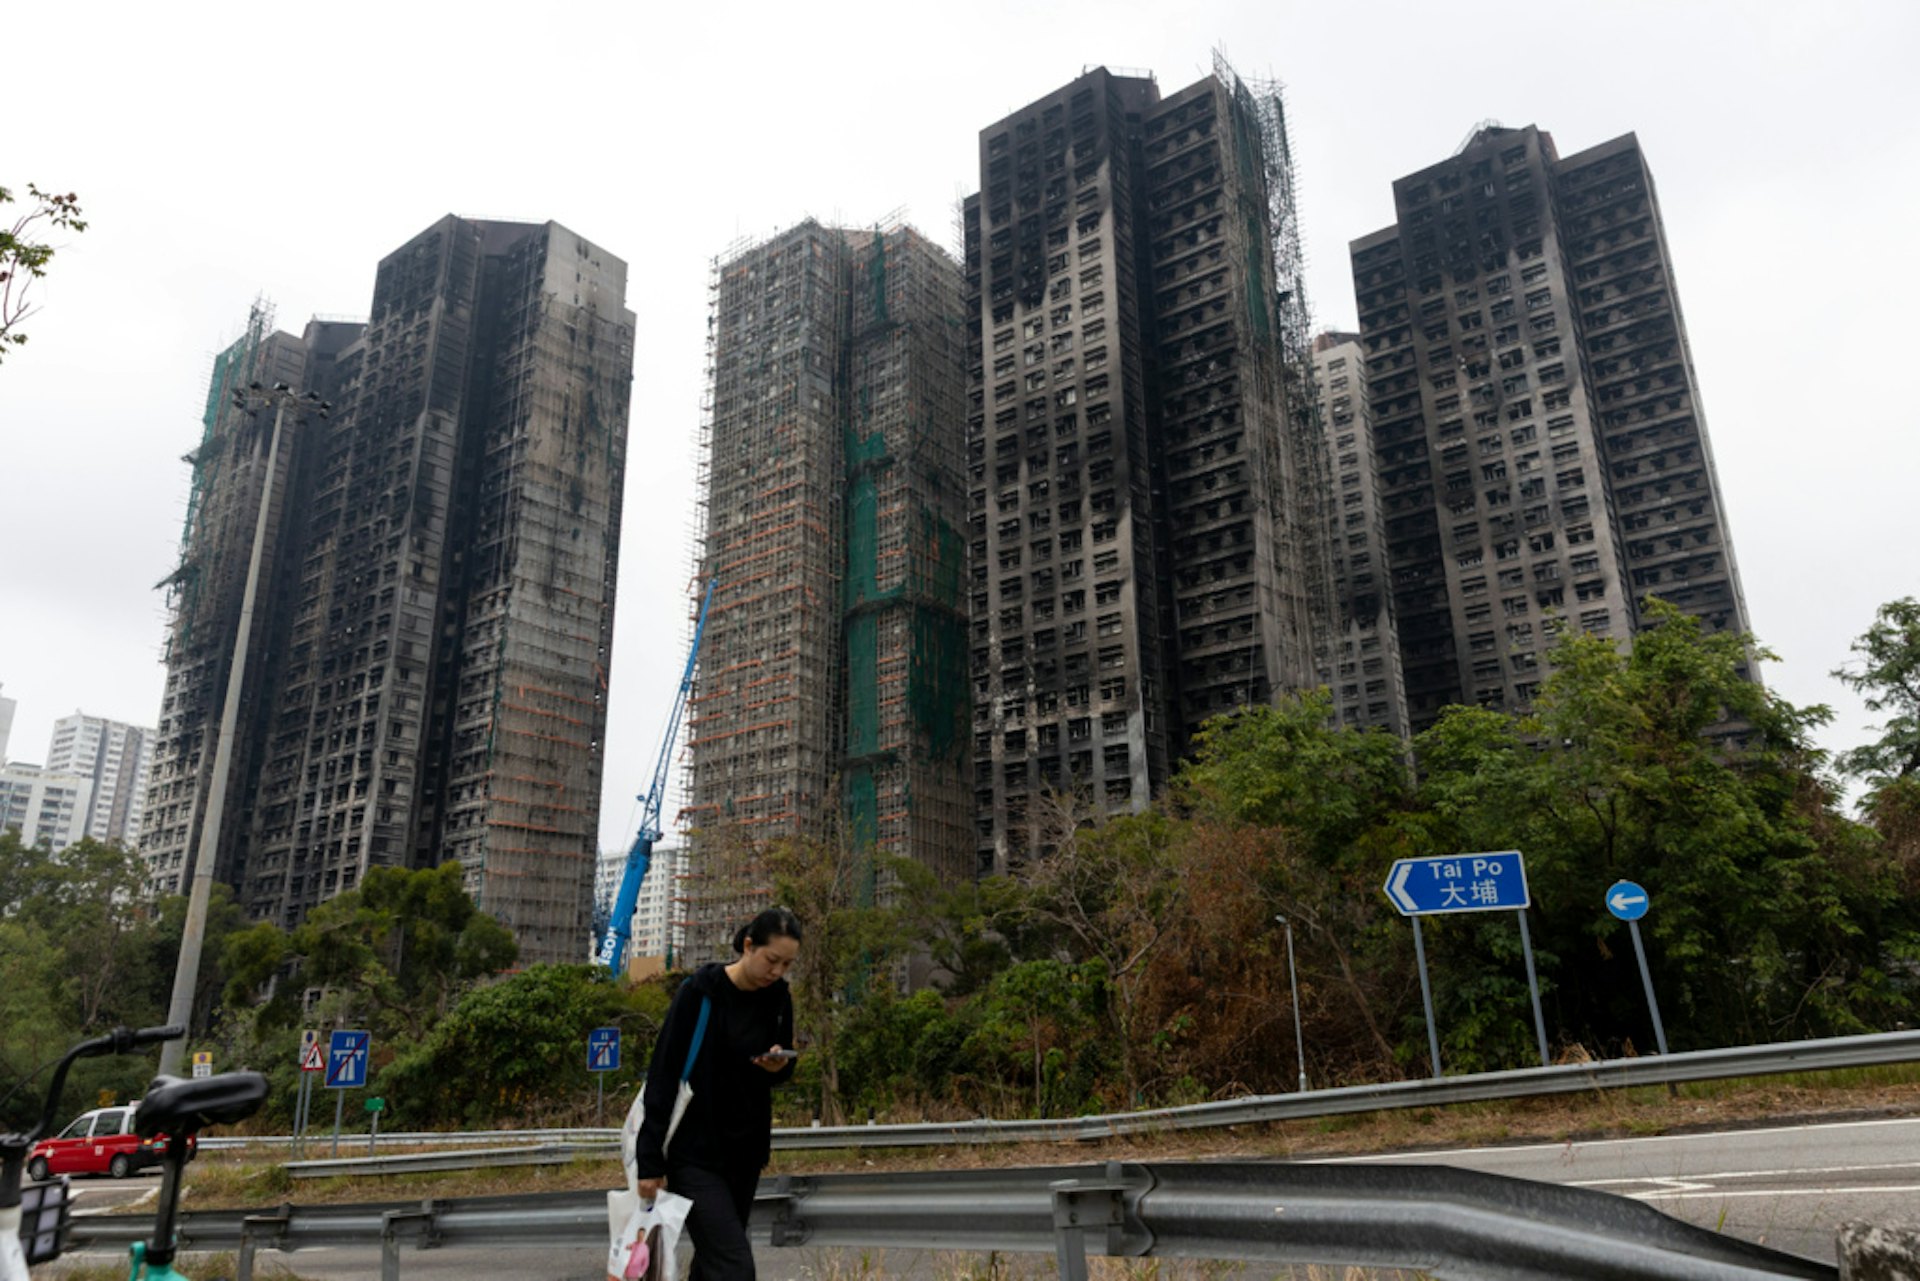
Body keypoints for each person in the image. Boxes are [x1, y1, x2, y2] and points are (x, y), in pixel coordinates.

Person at [633, 906, 801, 1279]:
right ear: (748, 945)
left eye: (787, 965)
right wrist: (649, 1160)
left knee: (713, 1267)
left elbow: (782, 1067)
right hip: (694, 1155)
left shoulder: (778, 999)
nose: (777, 972)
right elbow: (664, 1073)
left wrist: (780, 1065)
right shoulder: (699, 993)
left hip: (745, 1152)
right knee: (734, 1266)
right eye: (772, 960)